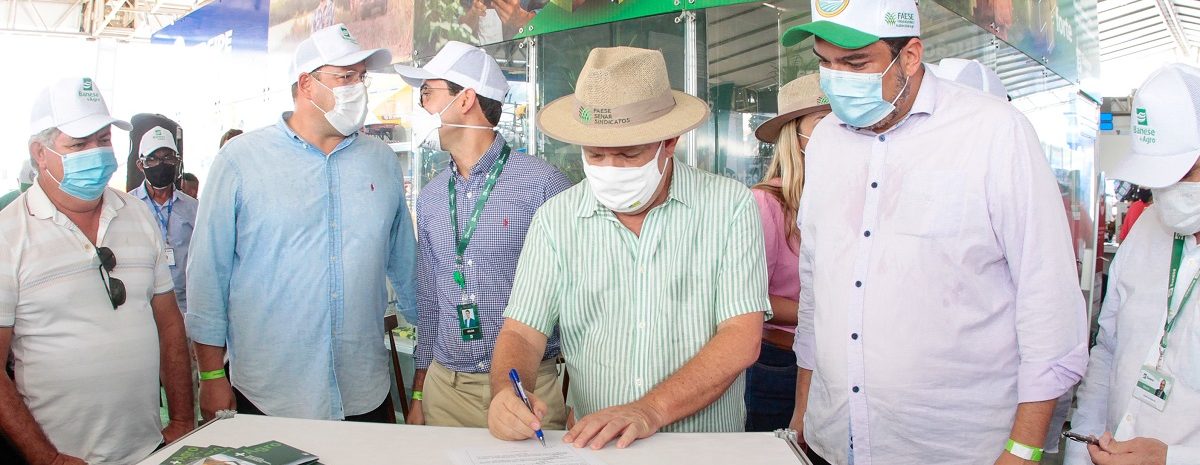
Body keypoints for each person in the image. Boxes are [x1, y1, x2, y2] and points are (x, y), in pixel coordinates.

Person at [780, 0, 1088, 462]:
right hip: (834, 441)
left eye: (856, 63)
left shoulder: (995, 134)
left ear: (910, 55)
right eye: (826, 63)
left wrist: (1024, 447)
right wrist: (804, 414)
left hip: (953, 448)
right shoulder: (825, 142)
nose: (837, 78)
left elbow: (1048, 300)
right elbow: (815, 293)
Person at [486, 46, 770, 449]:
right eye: (595, 153)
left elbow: (741, 336)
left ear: (669, 141)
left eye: (628, 153)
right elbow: (522, 333)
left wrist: (650, 409)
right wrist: (506, 395)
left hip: (705, 448)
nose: (610, 168)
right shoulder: (556, 219)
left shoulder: (729, 207)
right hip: (596, 448)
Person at [187, 24, 417, 423]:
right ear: (306, 85)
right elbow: (208, 274)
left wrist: (430, 367)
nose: (357, 88)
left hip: (362, 389)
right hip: (268, 392)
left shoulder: (380, 161)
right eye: (345, 77)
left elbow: (407, 267)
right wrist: (210, 374)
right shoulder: (240, 162)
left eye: (361, 77)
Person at [0, 77, 194, 464]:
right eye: (78, 144)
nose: (97, 152)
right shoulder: (9, 235)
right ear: (39, 152)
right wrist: (46, 458)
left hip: (149, 447)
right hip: (61, 455)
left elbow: (169, 325)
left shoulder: (138, 215)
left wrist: (183, 421)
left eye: (103, 140)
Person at [394, 41, 573, 428]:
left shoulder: (544, 186)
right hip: (447, 391)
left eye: (427, 92)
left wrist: (580, 393)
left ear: (465, 99)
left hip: (528, 392)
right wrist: (420, 392)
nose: (421, 105)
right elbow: (430, 299)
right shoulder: (430, 197)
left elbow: (581, 297)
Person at [1064, 63, 1200, 465]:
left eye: (1183, 173)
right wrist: (1078, 452)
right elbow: (1108, 348)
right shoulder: (1146, 234)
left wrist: (1173, 459)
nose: (1169, 192)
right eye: (1157, 179)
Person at [745, 73, 829, 435]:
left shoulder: (850, 200)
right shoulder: (766, 203)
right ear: (794, 137)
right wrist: (827, 316)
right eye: (824, 123)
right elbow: (750, 298)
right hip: (781, 361)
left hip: (840, 362)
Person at [130, 125, 198, 314]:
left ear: (177, 162)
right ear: (140, 165)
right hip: (143, 307)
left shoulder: (193, 208)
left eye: (168, 158)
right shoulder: (127, 206)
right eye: (153, 159)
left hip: (186, 306)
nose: (161, 165)